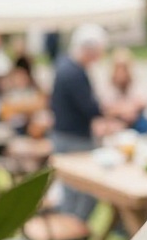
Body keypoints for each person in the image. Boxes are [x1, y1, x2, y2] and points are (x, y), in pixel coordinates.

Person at [51, 24, 121, 220]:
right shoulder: (74, 73)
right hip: (74, 138)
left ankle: (68, 236)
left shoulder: (66, 66)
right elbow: (90, 108)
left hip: (64, 134)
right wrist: (113, 110)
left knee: (70, 189)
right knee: (85, 190)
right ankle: (73, 232)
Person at [103, 47, 147, 135]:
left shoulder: (135, 82)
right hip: (117, 121)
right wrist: (123, 111)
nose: (121, 72)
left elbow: (144, 101)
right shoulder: (109, 85)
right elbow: (106, 108)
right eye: (118, 68)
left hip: (135, 120)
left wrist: (129, 109)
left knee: (145, 123)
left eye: (124, 68)